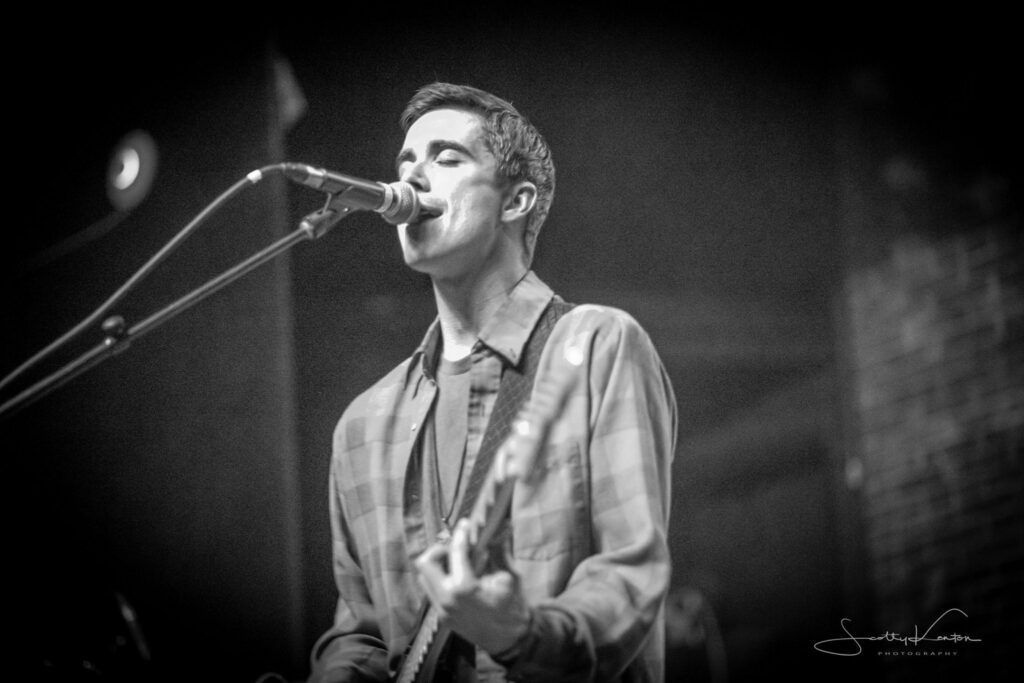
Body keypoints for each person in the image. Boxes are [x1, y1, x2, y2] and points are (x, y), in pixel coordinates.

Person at [307, 82, 677, 682]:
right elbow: (363, 636)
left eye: (447, 158)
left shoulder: (594, 346)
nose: (412, 178)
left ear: (516, 201)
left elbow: (628, 578)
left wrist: (521, 634)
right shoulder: (361, 425)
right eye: (406, 162)